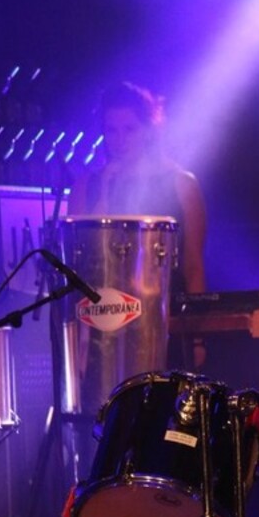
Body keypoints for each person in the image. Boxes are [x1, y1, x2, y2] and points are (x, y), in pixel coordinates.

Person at [67, 79, 209, 371]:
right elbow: (78, 259)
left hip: (165, 324)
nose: (120, 140)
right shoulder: (86, 185)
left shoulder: (181, 184)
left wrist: (198, 340)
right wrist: (105, 190)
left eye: (129, 129)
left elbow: (193, 266)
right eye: (111, 130)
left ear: (148, 130)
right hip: (102, 326)